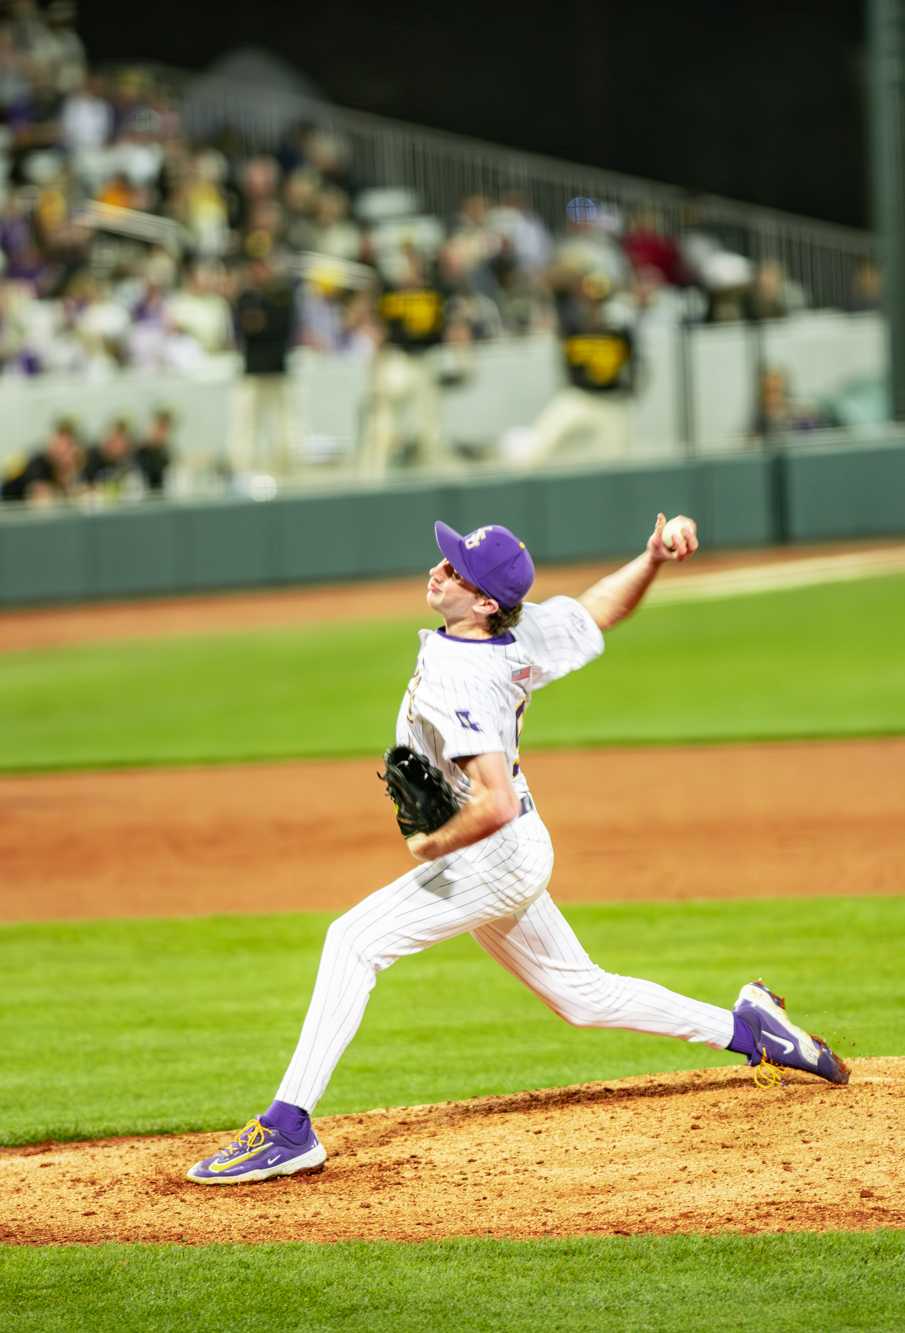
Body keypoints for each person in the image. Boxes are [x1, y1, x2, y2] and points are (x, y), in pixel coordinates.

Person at [184, 515, 850, 1186]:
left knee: (353, 940)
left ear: (484, 603)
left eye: (456, 569)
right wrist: (650, 558)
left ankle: (288, 1126)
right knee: (581, 994)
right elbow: (596, 612)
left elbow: (493, 800)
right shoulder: (518, 629)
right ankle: (750, 1029)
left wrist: (432, 843)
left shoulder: (463, 680)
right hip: (511, 850)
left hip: (490, 855)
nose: (440, 569)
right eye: (447, 559)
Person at [519, 271, 633, 467]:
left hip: (611, 401)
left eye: (599, 300)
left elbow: (636, 364)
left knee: (617, 463)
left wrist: (630, 390)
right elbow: (555, 287)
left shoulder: (619, 331)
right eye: (590, 300)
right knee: (535, 449)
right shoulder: (574, 325)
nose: (594, 305)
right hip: (578, 397)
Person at [363, 252, 454, 474]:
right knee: (385, 421)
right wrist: (376, 372)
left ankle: (430, 470)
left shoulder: (433, 296)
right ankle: (375, 470)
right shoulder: (390, 298)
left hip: (424, 360)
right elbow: (378, 333)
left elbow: (443, 331)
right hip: (398, 360)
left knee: (428, 424)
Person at [228, 249, 300, 475]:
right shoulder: (246, 297)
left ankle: (288, 468)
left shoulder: (282, 295)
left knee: (286, 426)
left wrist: (262, 323)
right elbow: (245, 328)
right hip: (252, 371)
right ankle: (243, 469)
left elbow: (279, 328)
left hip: (278, 369)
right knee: (245, 426)